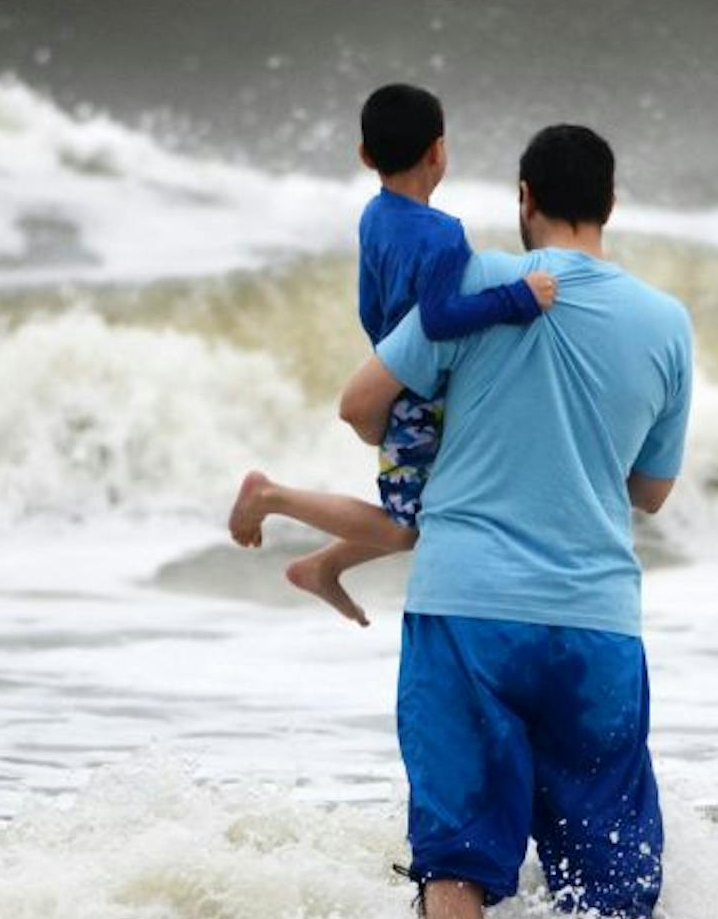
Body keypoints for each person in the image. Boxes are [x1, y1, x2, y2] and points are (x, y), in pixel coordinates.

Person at [334, 123, 694, 919]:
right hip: (596, 621)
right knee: (612, 873)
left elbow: (359, 404)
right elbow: (650, 491)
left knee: (455, 854)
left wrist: (440, 438)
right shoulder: (665, 322)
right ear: (610, 203)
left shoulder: (478, 281)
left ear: (523, 198)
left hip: (469, 609)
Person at [228, 83, 556, 623]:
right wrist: (517, 299)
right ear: (438, 151)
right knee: (410, 526)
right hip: (420, 393)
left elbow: (372, 305)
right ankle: (274, 500)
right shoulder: (445, 236)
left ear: (364, 155)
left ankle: (322, 568)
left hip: (396, 375)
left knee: (421, 507)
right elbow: (438, 319)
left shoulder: (373, 216)